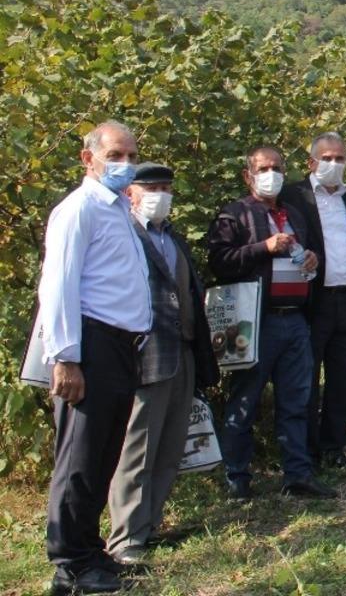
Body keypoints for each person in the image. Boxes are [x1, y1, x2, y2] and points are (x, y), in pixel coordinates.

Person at [38, 121, 152, 594]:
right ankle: (69, 564)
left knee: (104, 454)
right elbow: (59, 284)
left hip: (122, 345)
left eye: (131, 156)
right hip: (91, 343)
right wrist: (66, 357)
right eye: (115, 155)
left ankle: (90, 551)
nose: (125, 164)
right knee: (80, 457)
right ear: (89, 159)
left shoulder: (118, 209)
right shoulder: (79, 209)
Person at [107, 163, 219, 566]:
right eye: (151, 187)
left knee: (170, 447)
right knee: (138, 448)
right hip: (146, 355)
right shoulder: (124, 234)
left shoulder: (172, 237)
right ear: (131, 193)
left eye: (166, 188)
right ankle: (125, 538)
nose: (161, 195)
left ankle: (149, 526)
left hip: (183, 351)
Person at [208, 146, 333, 499]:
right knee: (245, 401)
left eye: (277, 168)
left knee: (297, 401)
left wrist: (313, 258)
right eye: (263, 168)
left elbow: (310, 253)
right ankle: (237, 478)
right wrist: (263, 247)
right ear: (248, 175)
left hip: (294, 320)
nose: (271, 174)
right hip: (254, 321)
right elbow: (220, 261)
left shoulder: (294, 213)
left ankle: (297, 474)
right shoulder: (234, 214)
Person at [280, 132, 346, 470]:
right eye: (327, 158)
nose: (334, 164)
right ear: (311, 162)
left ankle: (334, 446)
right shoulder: (293, 196)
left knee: (342, 378)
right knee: (307, 378)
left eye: (340, 159)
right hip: (313, 301)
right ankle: (307, 452)